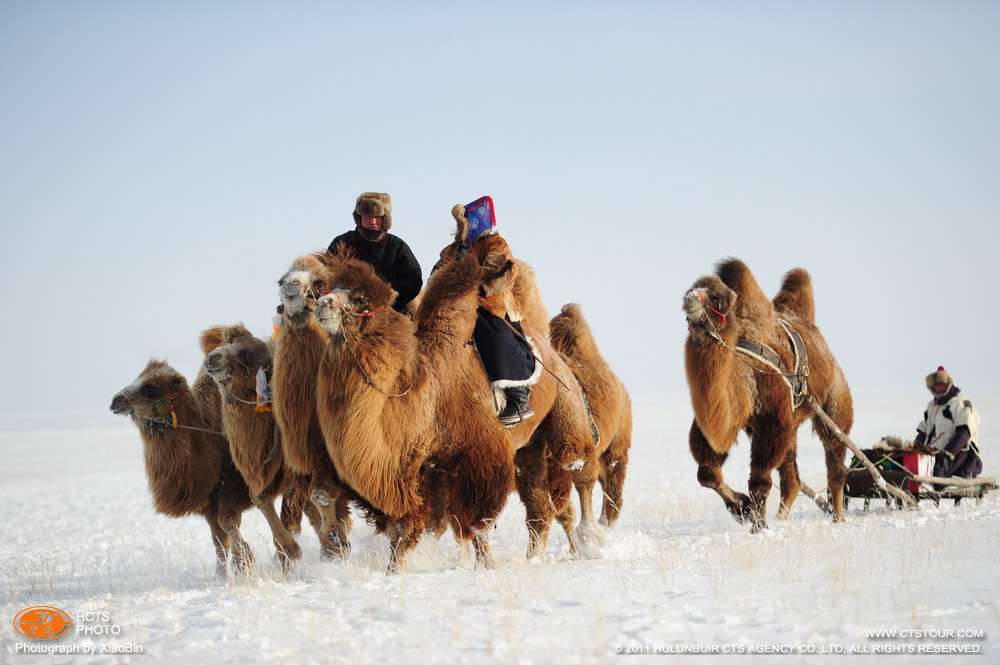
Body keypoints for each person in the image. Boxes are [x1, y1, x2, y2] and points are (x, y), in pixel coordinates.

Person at [452, 196, 540, 426]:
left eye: (463, 223)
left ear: (475, 223)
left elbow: (497, 274)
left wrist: (469, 288)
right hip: (455, 305)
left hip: (492, 305)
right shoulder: (455, 250)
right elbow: (440, 272)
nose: (458, 228)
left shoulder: (495, 245)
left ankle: (519, 398)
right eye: (458, 224)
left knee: (494, 335)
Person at [328, 192, 423, 314]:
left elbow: (413, 280)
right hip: (344, 313)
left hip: (389, 313)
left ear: (385, 220)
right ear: (359, 217)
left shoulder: (397, 245)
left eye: (377, 217)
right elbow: (325, 275)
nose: (373, 221)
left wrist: (382, 293)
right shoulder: (341, 243)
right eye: (367, 216)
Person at [914, 366, 983, 480]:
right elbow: (924, 432)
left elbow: (964, 434)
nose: (939, 387)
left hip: (960, 455)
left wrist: (947, 455)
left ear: (948, 384)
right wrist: (914, 449)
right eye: (936, 385)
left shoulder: (960, 403)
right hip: (934, 455)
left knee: (937, 479)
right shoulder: (932, 406)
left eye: (942, 384)